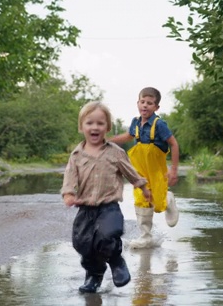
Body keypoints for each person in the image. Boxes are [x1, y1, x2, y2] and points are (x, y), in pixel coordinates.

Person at [61, 101, 152, 294]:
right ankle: (94, 276)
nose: (95, 127)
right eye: (90, 123)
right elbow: (70, 176)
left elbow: (131, 172)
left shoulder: (116, 153)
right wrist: (69, 193)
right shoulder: (76, 155)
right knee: (83, 243)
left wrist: (143, 187)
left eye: (100, 123)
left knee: (107, 234)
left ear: (107, 127)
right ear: (81, 127)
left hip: (109, 207)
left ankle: (117, 261)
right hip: (85, 208)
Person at [110, 87, 180, 249]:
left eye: (150, 103)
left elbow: (173, 143)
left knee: (158, 204)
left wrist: (174, 169)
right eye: (142, 102)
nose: (145, 106)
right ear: (137, 103)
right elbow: (127, 136)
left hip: (156, 171)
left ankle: (167, 199)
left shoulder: (159, 124)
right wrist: (108, 140)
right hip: (139, 170)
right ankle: (145, 236)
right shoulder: (135, 122)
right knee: (141, 198)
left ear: (156, 107)